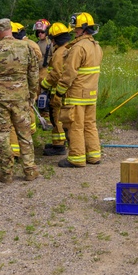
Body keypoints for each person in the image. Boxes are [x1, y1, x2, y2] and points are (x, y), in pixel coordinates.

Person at [0, 18, 39, 183]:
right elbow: (33, 73)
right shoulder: (26, 47)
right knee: (24, 134)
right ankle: (30, 170)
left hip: (0, 99)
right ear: (11, 29)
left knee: (3, 135)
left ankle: (6, 173)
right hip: (21, 98)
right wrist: (32, 94)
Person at [56, 12, 104, 168]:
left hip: (77, 95)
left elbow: (69, 73)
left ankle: (76, 158)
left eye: (76, 29)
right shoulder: (96, 46)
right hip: (91, 95)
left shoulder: (78, 48)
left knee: (75, 126)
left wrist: (59, 91)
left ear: (83, 29)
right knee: (90, 125)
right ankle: (94, 156)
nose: (74, 32)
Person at [40, 21, 73, 156]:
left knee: (56, 117)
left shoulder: (59, 53)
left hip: (59, 91)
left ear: (55, 39)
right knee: (59, 117)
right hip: (66, 90)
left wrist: (44, 85)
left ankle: (59, 146)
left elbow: (56, 74)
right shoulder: (68, 48)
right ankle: (58, 143)